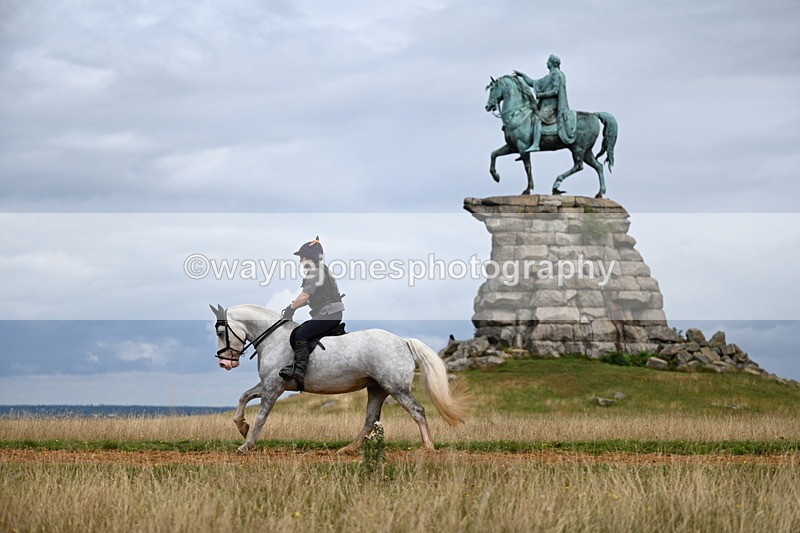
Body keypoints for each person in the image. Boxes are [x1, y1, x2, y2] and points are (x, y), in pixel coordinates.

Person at [278, 237, 345, 391]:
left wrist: (290, 309)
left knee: (300, 334)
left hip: (329, 314)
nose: (300, 260)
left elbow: (304, 296)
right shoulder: (323, 269)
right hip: (331, 313)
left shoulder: (314, 272)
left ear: (310, 257)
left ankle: (299, 371)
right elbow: (310, 300)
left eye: (302, 257)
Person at [513, 54, 576, 151]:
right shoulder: (548, 76)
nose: (546, 63)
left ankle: (536, 144)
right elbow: (533, 83)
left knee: (537, 118)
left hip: (552, 106)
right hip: (545, 106)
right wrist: (522, 75)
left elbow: (555, 91)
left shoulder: (557, 75)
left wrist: (541, 95)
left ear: (552, 63)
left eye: (548, 61)